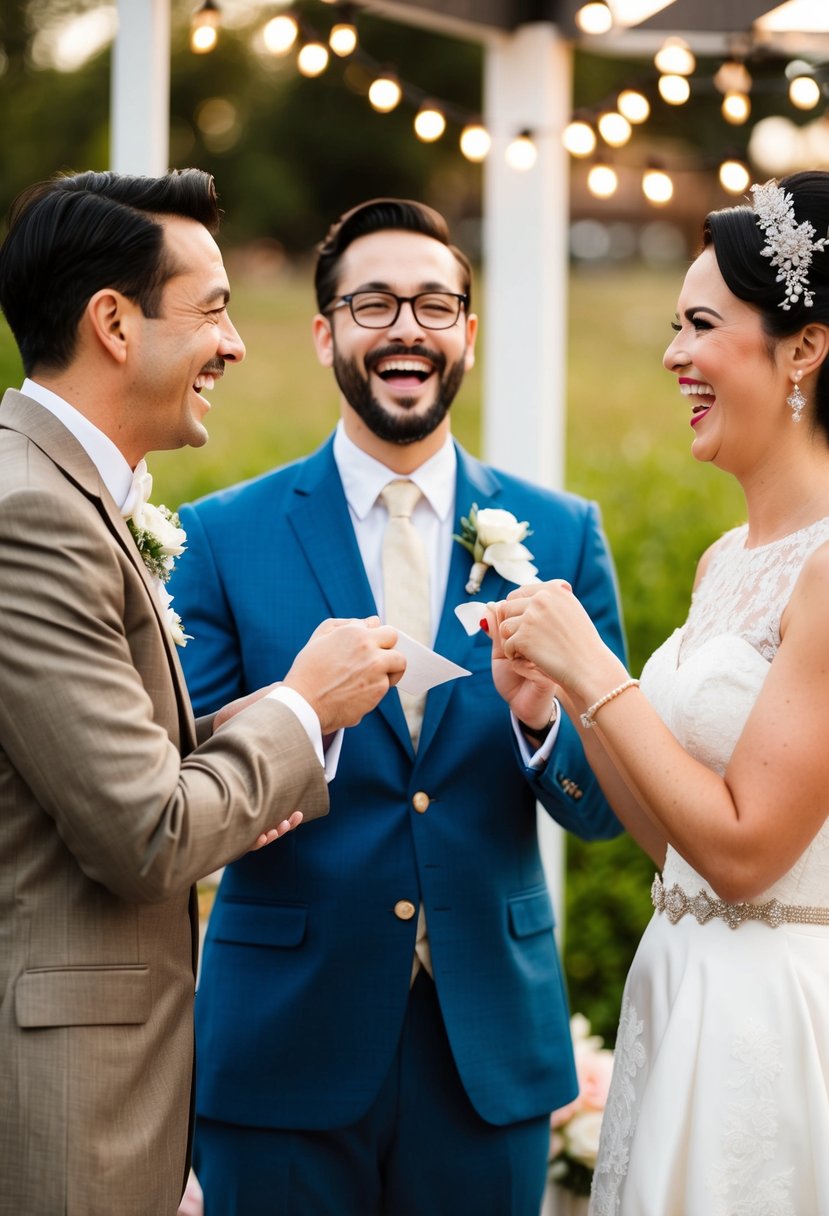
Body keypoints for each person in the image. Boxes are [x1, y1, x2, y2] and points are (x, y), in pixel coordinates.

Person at [169, 197, 626, 1216]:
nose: (406, 328)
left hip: (487, 1057)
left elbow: (603, 807)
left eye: (433, 304)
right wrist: (306, 718)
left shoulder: (561, 534)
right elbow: (177, 794)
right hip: (282, 1047)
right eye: (373, 305)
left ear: (468, 331)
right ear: (326, 331)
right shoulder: (220, 535)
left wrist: (542, 721)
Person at [0, 169, 405, 1216]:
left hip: (123, 1089)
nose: (233, 344)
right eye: (214, 309)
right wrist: (303, 708)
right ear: (113, 323)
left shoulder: (74, 495)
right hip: (65, 1094)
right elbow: (145, 831)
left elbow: (99, 765)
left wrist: (271, 722)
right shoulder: (31, 517)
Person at [493, 170, 829, 1215]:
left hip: (769, 1019)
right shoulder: (725, 559)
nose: (673, 356)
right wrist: (558, 692)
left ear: (803, 349)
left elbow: (743, 853)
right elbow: (672, 838)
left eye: (699, 324)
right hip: (675, 987)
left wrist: (596, 665)